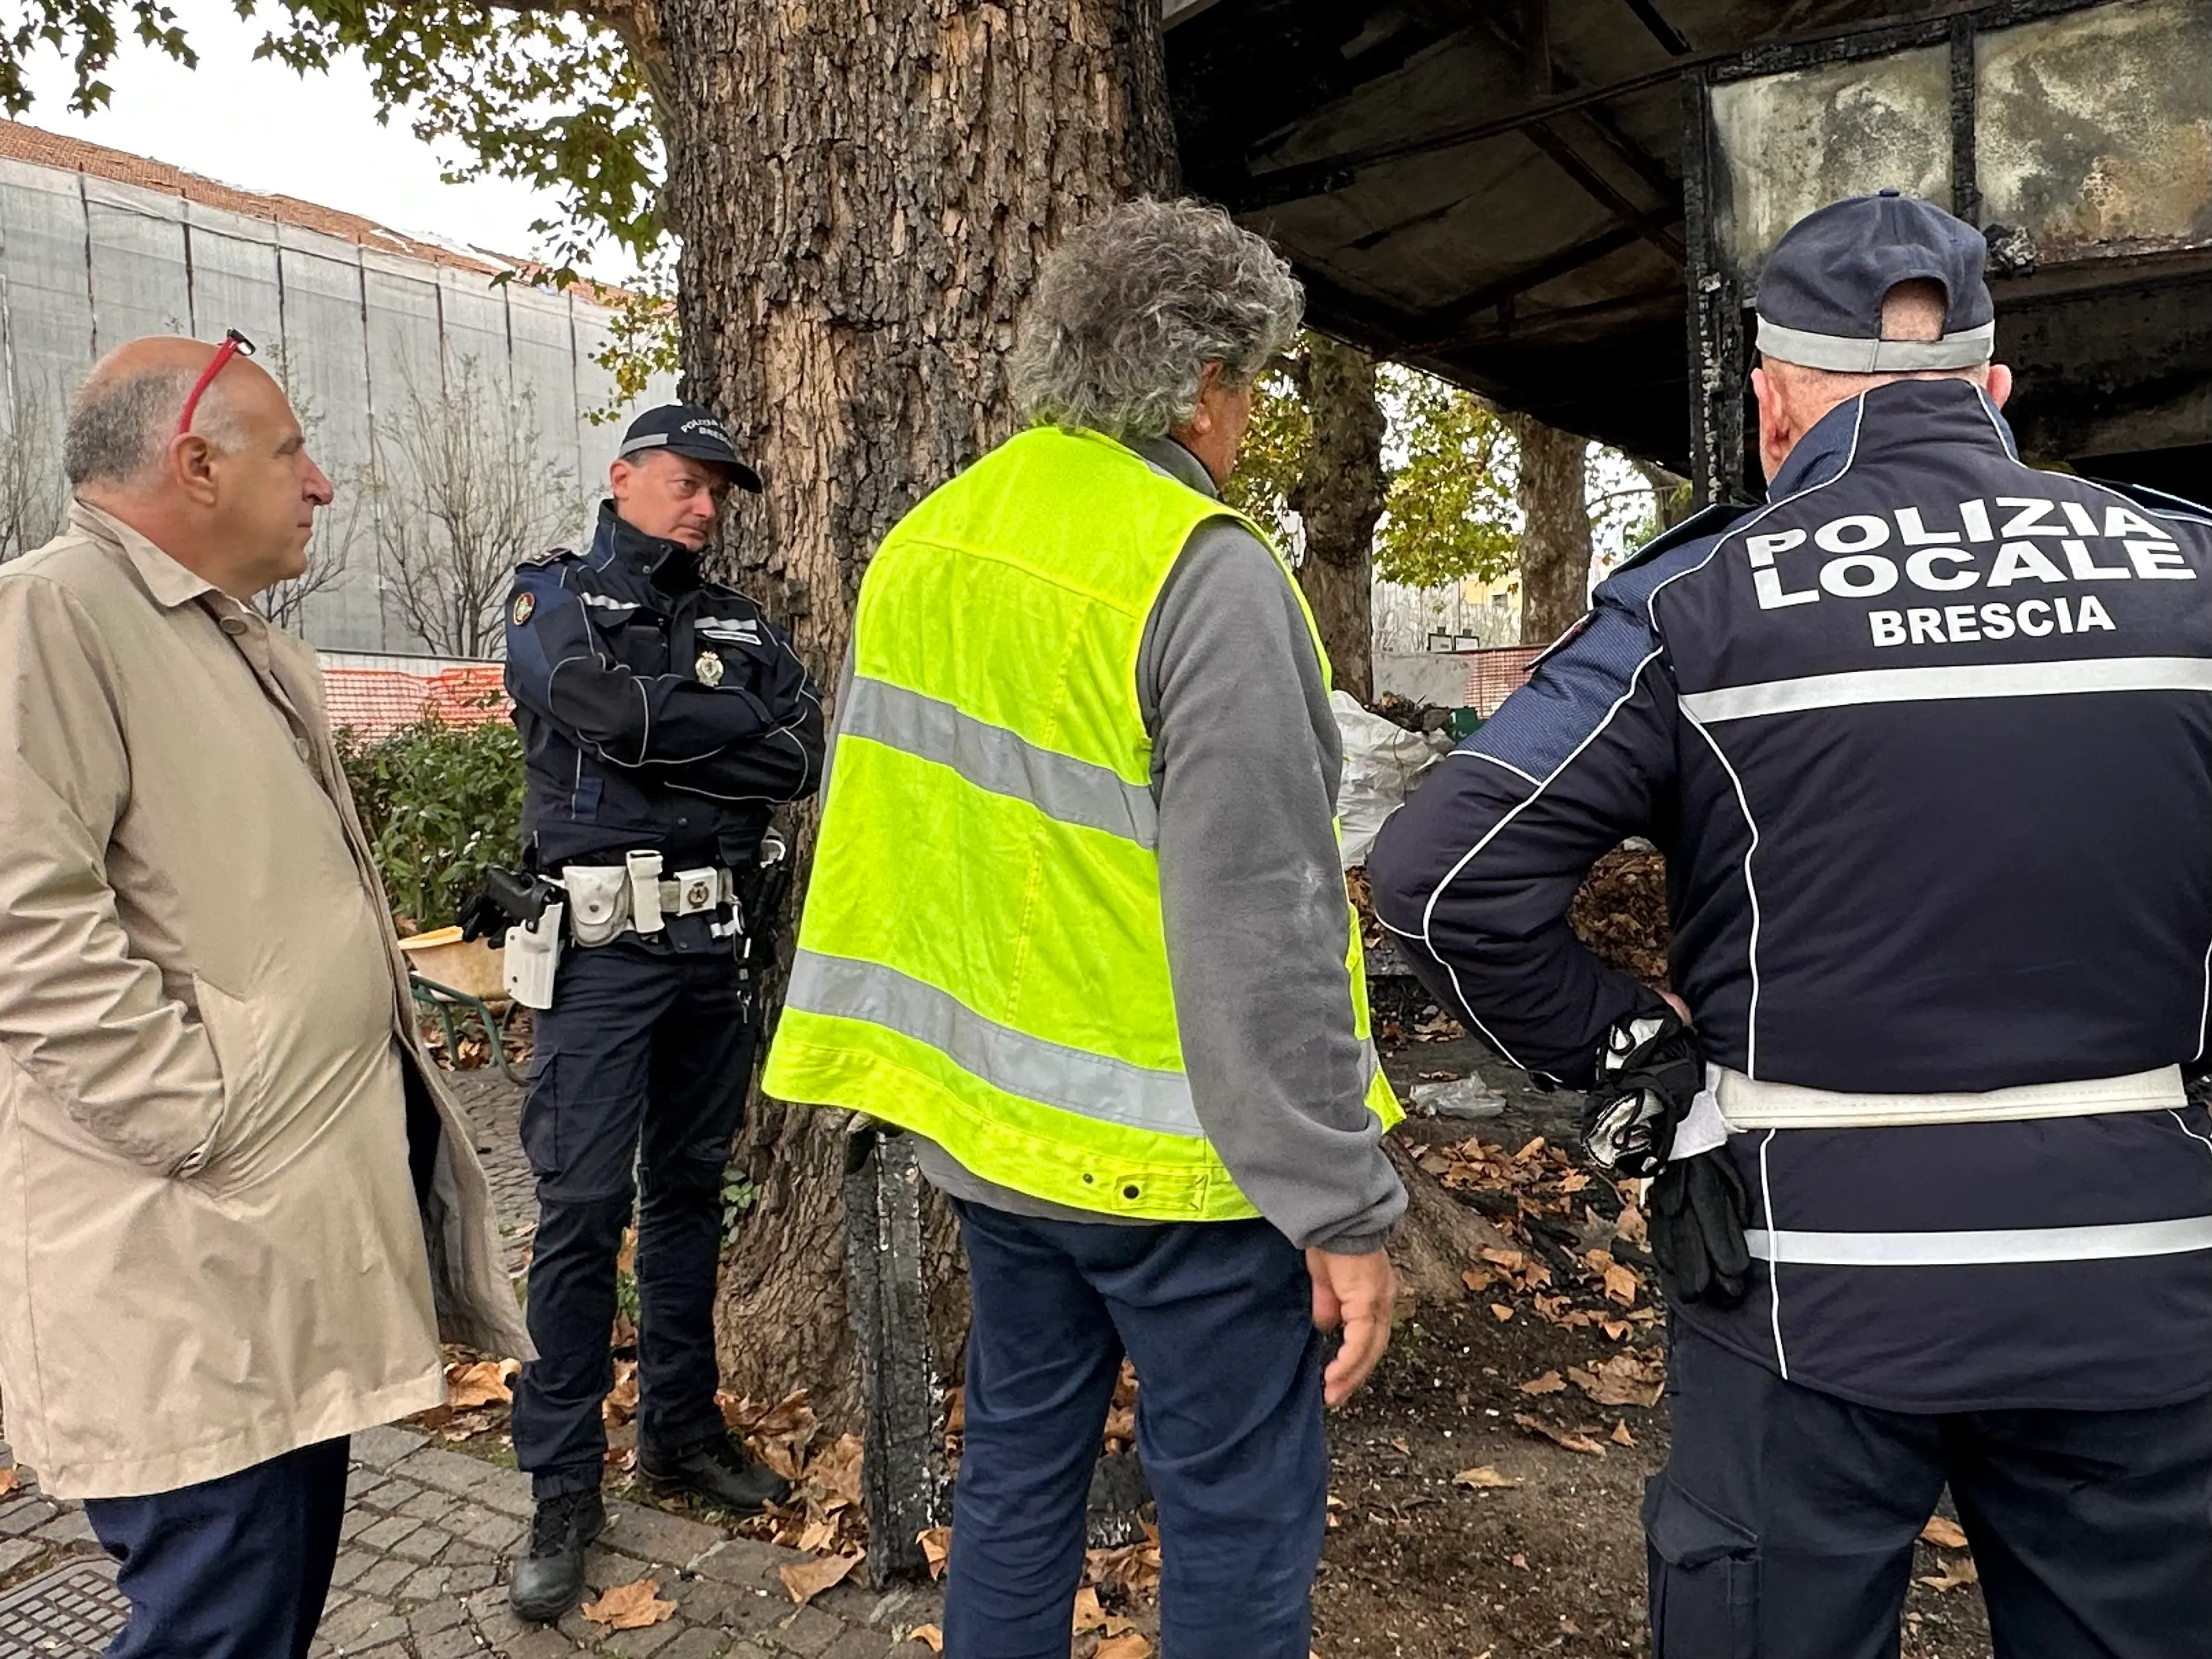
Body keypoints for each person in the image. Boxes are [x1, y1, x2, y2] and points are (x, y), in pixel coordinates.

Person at [1369, 190, 2212, 1658]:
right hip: (2140, 1266)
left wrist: (1634, 1059)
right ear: (1992, 388)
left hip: (1802, 1286)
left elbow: (1440, 874)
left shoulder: (1696, 598)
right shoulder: (2186, 571)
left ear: (1770, 404)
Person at [763, 197, 1407, 1659]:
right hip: (1186, 1170)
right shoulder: (1200, 567)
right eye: (1246, 383)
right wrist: (1341, 1206)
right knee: (1235, 1513)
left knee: (1013, 1472)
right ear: (1196, 384)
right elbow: (1267, 928)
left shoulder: (929, 543)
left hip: (993, 1144)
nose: (1245, 420)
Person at [0, 332, 528, 1657]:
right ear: (196, 463)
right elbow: (24, 922)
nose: (322, 484)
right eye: (291, 451)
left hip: (256, 1258)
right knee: (217, 1625)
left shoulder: (222, 642)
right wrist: (196, 1119)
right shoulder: (52, 616)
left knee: (256, 1618)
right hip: (182, 1260)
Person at [499, 402, 825, 1620]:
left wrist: (668, 729)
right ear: (624, 478)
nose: (705, 507)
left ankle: (679, 1429)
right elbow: (595, 709)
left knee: (689, 1192)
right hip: (596, 953)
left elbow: (798, 753)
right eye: (687, 484)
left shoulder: (737, 620)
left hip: (710, 943)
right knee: (582, 1209)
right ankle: (561, 1485)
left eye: (719, 494)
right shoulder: (555, 598)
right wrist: (709, 730)